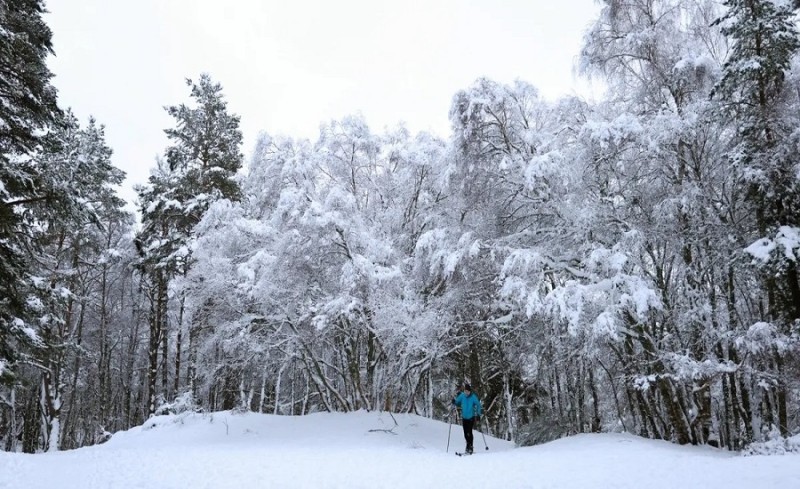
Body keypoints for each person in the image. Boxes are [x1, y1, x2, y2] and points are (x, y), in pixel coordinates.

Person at [452, 382, 482, 454]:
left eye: (467, 391)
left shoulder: (473, 397)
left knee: (469, 432)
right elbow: (457, 402)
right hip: (464, 418)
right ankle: (468, 447)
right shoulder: (462, 396)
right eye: (465, 391)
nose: (466, 393)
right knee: (465, 433)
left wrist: (478, 414)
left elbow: (478, 405)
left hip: (471, 417)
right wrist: (454, 401)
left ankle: (470, 447)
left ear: (470, 391)